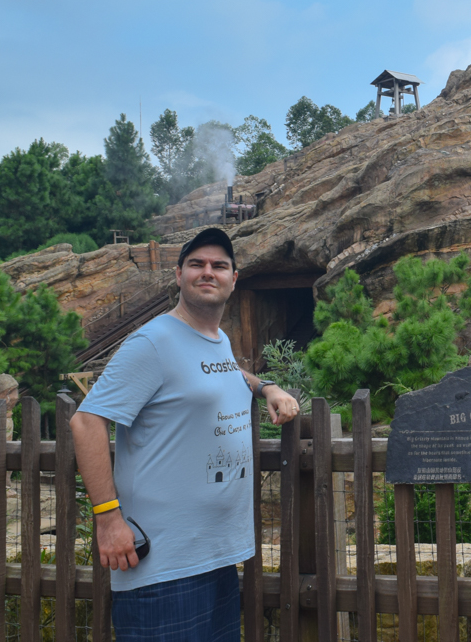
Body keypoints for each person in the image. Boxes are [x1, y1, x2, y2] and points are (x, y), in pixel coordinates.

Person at [70, 227, 299, 642]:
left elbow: (223, 373)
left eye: (219, 266)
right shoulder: (152, 342)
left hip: (215, 556)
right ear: (179, 275)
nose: (208, 272)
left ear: (234, 279)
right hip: (164, 565)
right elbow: (86, 422)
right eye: (197, 264)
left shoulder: (217, 340)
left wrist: (266, 387)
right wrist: (108, 519)